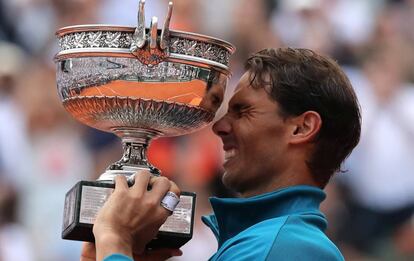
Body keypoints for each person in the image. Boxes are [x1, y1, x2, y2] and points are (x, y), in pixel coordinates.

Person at [81, 47, 361, 261]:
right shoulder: (265, 242)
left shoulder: (283, 247)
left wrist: (115, 241)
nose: (220, 126)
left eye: (243, 111)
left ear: (302, 127)